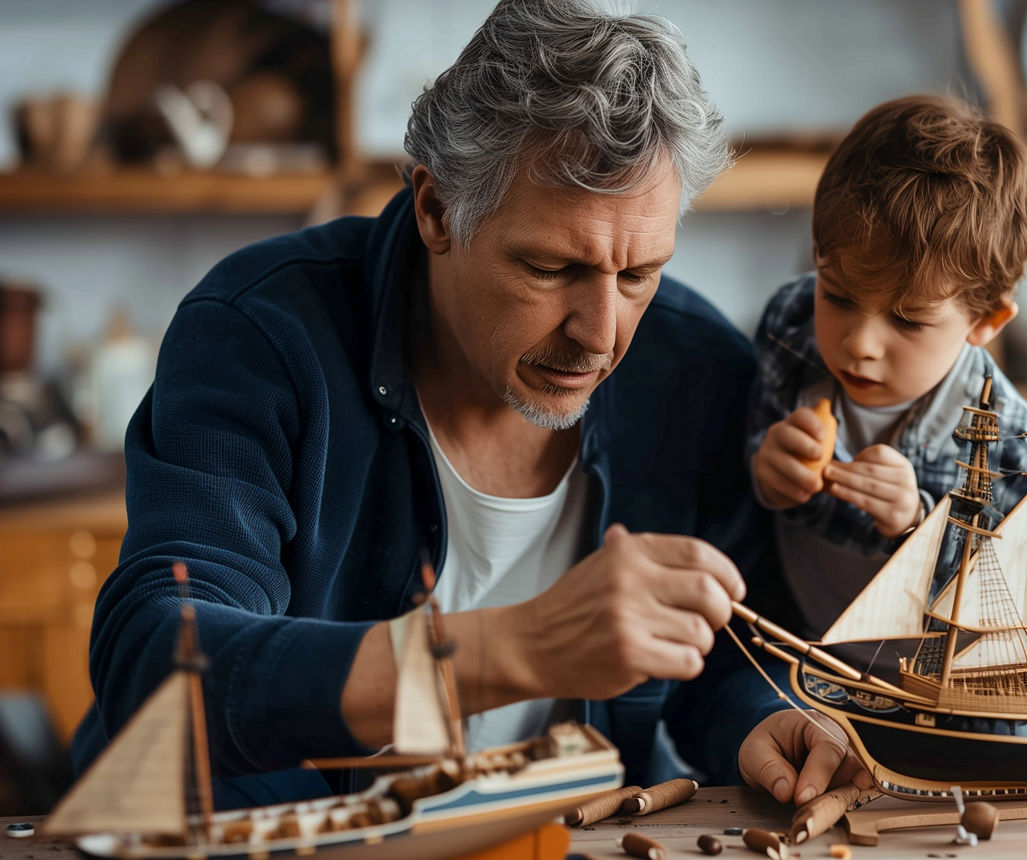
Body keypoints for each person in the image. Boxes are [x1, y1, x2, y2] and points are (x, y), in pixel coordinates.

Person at [71, 0, 863, 811]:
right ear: (437, 209)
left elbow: (718, 660)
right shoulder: (259, 335)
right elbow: (162, 665)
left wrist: (764, 721)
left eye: (637, 275)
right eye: (551, 268)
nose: (600, 335)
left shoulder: (697, 369)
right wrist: (516, 650)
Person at [748, 94, 1027, 641]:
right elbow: (738, 469)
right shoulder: (789, 326)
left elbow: (1015, 603)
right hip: (797, 643)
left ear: (985, 321)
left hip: (933, 683)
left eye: (909, 321)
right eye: (838, 296)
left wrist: (917, 522)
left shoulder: (1018, 453)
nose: (861, 344)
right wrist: (765, 472)